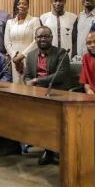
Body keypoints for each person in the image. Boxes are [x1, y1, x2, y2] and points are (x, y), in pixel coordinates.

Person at [24, 26, 72, 165]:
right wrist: (28, 82)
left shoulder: (61, 53)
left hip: (56, 93)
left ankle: (54, 151)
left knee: (52, 120)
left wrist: (38, 81)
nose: (43, 39)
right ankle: (48, 150)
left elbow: (60, 75)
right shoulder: (31, 55)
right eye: (39, 37)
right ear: (35, 39)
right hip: (36, 94)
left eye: (46, 36)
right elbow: (27, 76)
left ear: (51, 38)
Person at [4, 0, 41, 83]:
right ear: (16, 6)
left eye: (24, 4)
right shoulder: (9, 22)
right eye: (19, 3)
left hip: (30, 57)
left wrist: (22, 56)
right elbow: (7, 42)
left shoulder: (34, 20)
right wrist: (15, 57)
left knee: (28, 83)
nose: (21, 6)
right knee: (16, 83)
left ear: (28, 6)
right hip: (14, 59)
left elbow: (36, 41)